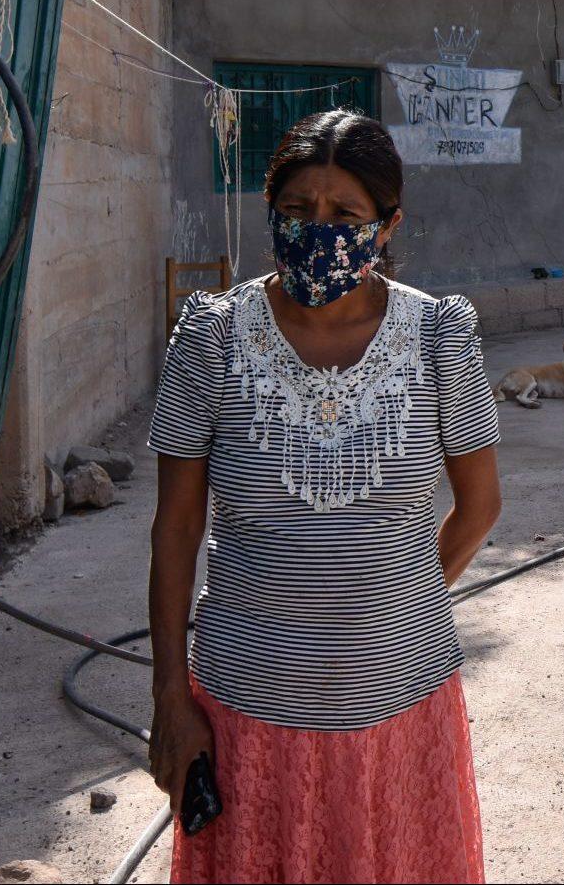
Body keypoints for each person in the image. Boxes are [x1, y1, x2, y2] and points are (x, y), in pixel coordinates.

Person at [147, 108, 503, 883]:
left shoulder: (441, 335)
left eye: (346, 214)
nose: (319, 230)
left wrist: (389, 604)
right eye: (299, 211)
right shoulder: (209, 337)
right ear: (270, 212)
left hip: (402, 710)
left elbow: (480, 506)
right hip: (245, 715)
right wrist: (170, 697)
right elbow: (175, 528)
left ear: (387, 224)